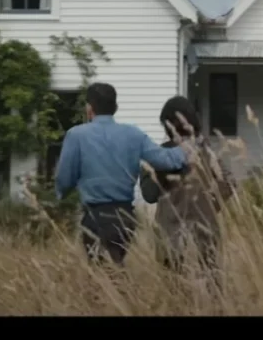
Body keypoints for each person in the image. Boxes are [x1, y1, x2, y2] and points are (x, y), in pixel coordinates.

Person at [55, 82, 188, 266]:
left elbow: (64, 178)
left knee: (100, 274)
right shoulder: (133, 134)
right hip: (124, 217)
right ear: (115, 108)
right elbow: (167, 160)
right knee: (115, 266)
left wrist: (60, 194)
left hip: (94, 217)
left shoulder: (76, 135)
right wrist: (190, 146)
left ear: (89, 108)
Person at [139, 96, 235, 284]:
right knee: (213, 294)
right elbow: (229, 183)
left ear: (167, 125)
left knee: (175, 298)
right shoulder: (208, 153)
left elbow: (149, 195)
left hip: (170, 238)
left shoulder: (158, 157)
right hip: (206, 236)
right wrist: (210, 205)